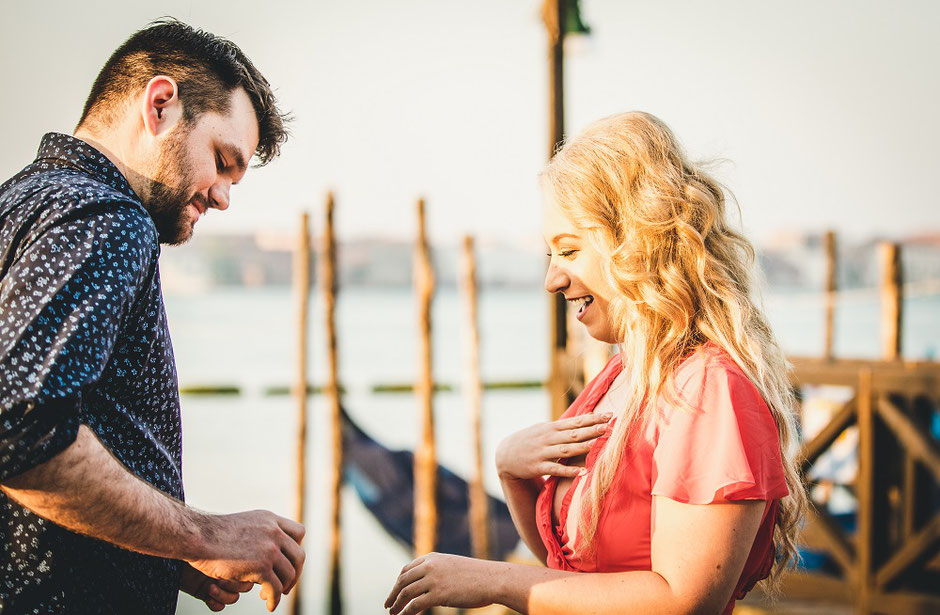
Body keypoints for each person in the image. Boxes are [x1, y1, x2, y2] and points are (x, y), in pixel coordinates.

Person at [385, 111, 806, 615]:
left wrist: (497, 580)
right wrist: (513, 478)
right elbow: (578, 575)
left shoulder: (709, 389)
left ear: (637, 240)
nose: (552, 280)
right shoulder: (624, 373)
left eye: (568, 250)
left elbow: (683, 602)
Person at [0, 19, 303, 614]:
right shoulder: (109, 216)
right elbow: (19, 425)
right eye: (221, 159)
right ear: (160, 104)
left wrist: (159, 551)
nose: (222, 195)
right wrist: (206, 535)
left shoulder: (21, 201)